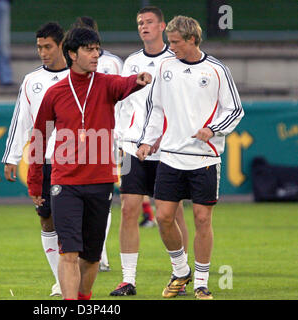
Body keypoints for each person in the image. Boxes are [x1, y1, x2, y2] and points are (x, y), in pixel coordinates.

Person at [27, 27, 151, 300]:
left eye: (97, 49)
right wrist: (35, 182)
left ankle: (83, 299)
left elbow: (125, 84)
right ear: (72, 54)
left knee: (92, 256)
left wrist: (139, 80)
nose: (96, 54)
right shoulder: (55, 92)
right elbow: (39, 136)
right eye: (89, 50)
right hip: (65, 182)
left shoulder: (107, 83)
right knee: (68, 252)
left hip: (100, 181)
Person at [136, 15, 244, 299]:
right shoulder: (165, 66)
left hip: (204, 159)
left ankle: (201, 282)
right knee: (164, 217)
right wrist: (147, 141)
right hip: (170, 156)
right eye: (169, 42)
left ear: (192, 39)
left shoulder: (217, 69)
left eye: (175, 42)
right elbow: (155, 109)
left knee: (201, 219)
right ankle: (180, 269)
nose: (171, 48)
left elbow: (234, 110)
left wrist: (212, 129)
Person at [110, 6, 189, 297]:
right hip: (133, 148)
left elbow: (179, 106)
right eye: (140, 22)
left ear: (162, 26)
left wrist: (163, 137)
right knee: (129, 209)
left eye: (149, 22)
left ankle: (179, 274)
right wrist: (120, 139)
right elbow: (121, 103)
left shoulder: (175, 61)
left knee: (172, 213)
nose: (144, 26)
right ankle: (128, 280)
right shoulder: (130, 62)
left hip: (168, 150)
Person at [1, 22, 68, 297]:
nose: (42, 52)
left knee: (71, 220)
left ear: (62, 45)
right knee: (47, 219)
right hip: (43, 159)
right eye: (39, 47)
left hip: (74, 161)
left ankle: (73, 277)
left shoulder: (81, 77)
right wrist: (11, 157)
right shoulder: (32, 81)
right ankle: (60, 280)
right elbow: (21, 121)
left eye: (48, 47)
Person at [72, 16, 124, 273]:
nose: (92, 50)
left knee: (103, 194)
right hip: (74, 141)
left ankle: (99, 251)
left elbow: (125, 99)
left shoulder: (112, 63)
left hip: (107, 138)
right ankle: (85, 251)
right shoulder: (70, 64)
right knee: (78, 193)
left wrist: (122, 135)